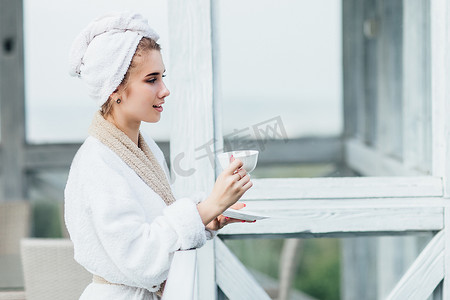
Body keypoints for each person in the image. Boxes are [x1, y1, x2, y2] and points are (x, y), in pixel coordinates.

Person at [64, 11, 253, 300]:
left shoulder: (144, 145)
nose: (165, 90)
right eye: (151, 79)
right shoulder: (97, 163)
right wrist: (206, 207)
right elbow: (140, 260)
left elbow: (158, 223)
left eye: (162, 77)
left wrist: (208, 218)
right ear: (115, 88)